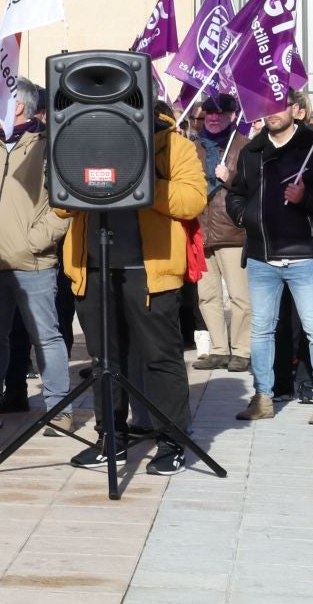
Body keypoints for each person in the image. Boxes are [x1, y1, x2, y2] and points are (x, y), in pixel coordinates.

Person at [62, 101, 206, 475]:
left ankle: (172, 441)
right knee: (104, 362)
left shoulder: (173, 145)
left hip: (150, 271)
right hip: (92, 268)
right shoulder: (81, 141)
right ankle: (112, 440)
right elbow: (60, 205)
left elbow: (192, 201)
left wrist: (139, 179)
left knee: (161, 359)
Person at [0, 81, 74, 435]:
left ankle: (59, 408)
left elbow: (65, 206)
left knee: (46, 336)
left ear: (19, 108)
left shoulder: (49, 148)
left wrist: (34, 241)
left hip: (34, 263)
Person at [224, 90, 313, 428]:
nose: (271, 111)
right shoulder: (252, 150)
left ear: (296, 111)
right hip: (262, 257)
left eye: (279, 105)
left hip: (304, 256)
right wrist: (245, 217)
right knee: (261, 330)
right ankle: (263, 397)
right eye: (266, 105)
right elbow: (236, 194)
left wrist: (307, 196)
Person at [192, 94, 251, 372]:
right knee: (207, 295)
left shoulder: (244, 147)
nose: (214, 117)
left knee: (240, 297)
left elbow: (255, 190)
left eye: (220, 112)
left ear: (232, 115)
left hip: (233, 232)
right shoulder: (193, 148)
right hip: (201, 232)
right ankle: (218, 348)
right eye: (210, 112)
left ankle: (241, 350)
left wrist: (230, 179)